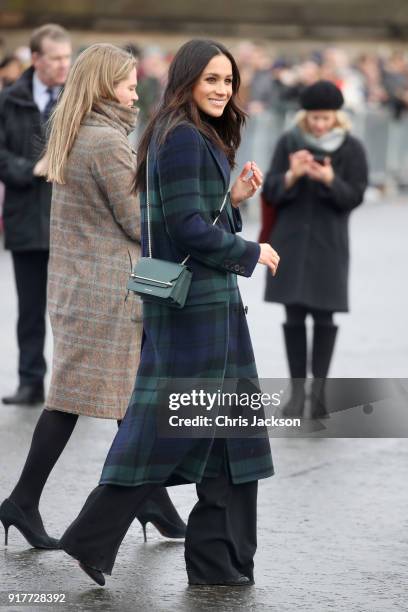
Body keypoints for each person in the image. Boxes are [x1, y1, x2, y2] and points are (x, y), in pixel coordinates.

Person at [56, 38, 280, 588]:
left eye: (228, 81)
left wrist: (234, 199)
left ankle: (219, 564)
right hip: (194, 310)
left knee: (232, 435)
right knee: (165, 432)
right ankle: (91, 537)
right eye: (211, 80)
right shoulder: (180, 136)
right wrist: (252, 250)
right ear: (186, 81)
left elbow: (195, 216)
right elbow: (184, 228)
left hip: (205, 305)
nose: (222, 90)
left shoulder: (187, 133)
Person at [0, 43, 185, 551]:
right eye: (128, 84)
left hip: (92, 285)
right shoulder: (105, 141)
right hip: (105, 291)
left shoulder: (84, 129)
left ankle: (149, 499)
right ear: (105, 86)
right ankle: (23, 500)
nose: (135, 92)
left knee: (130, 399)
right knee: (70, 402)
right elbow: (134, 221)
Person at [262, 80, 368, 419]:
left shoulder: (352, 149)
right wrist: (293, 175)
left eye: (326, 118)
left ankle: (318, 391)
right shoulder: (288, 143)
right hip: (290, 241)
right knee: (293, 313)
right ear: (305, 117)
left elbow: (354, 196)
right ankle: (296, 391)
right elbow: (271, 191)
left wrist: (328, 180)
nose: (320, 125)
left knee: (324, 314)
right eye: (314, 118)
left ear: (337, 117)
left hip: (328, 243)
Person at [0, 24, 72, 406]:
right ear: (36, 59)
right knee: (30, 309)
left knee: (72, 310)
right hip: (26, 217)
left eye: (67, 57)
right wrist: (32, 168)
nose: (64, 65)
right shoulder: (8, 99)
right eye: (56, 58)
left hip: (70, 221)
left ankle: (72, 387)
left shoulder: (79, 98)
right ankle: (31, 381)